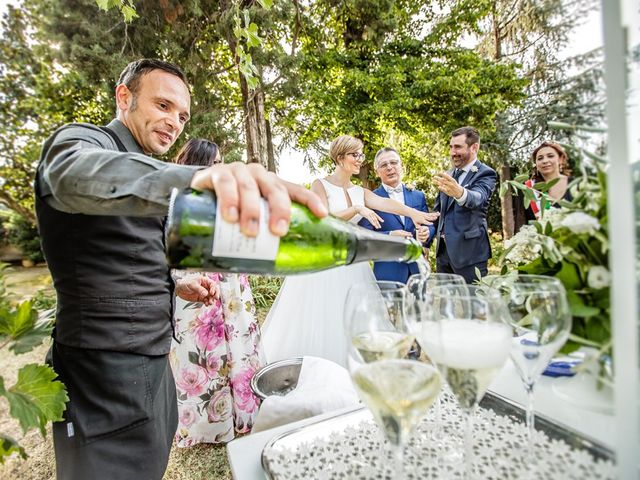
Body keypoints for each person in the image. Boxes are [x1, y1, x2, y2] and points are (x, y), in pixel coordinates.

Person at [34, 58, 326, 480]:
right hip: (100, 373)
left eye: (182, 115)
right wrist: (194, 180)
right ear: (124, 97)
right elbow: (70, 175)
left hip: (154, 363)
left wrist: (177, 283)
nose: (174, 122)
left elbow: (129, 254)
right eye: (163, 105)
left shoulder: (149, 165)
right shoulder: (83, 143)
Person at [261, 135, 438, 367]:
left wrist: (413, 214)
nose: (360, 160)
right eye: (355, 155)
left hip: (354, 264)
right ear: (340, 157)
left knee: (355, 316)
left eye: (361, 155)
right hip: (324, 263)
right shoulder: (320, 184)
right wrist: (356, 209)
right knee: (324, 316)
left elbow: (387, 204)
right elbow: (321, 220)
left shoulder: (360, 191)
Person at [169, 139, 264, 447]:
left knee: (237, 350)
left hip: (232, 286)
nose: (220, 169)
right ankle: (208, 427)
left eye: (221, 161)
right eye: (213, 163)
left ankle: (242, 413)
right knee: (205, 359)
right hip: (197, 288)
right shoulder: (176, 200)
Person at [358, 147, 435, 283]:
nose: (389, 167)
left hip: (418, 269)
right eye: (384, 165)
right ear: (377, 172)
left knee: (420, 305)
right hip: (388, 271)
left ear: (401, 166)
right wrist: (390, 235)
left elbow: (428, 223)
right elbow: (364, 235)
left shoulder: (418, 196)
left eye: (394, 163)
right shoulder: (370, 199)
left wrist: (426, 232)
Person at [432, 126, 497, 284]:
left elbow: (478, 198)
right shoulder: (448, 174)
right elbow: (439, 212)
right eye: (451, 147)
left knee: (474, 304)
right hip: (444, 255)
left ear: (474, 147)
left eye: (458, 147)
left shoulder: (485, 173)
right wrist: (426, 241)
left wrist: (460, 193)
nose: (452, 152)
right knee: (446, 305)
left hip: (470, 254)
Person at [514, 141, 574, 231]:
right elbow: (520, 223)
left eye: (550, 156)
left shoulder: (575, 184)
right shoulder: (527, 189)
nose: (545, 161)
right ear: (536, 164)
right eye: (540, 158)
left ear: (561, 159)